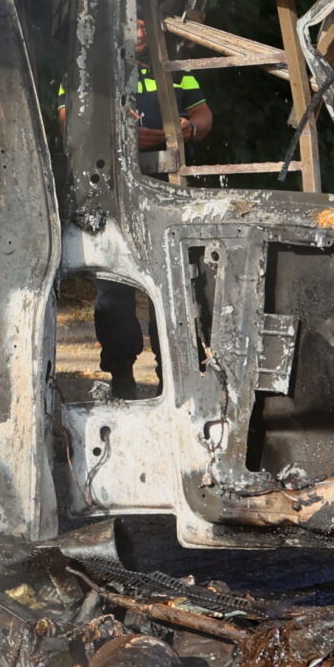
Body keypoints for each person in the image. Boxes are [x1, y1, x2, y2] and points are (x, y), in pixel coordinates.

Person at [92, 21, 210, 396]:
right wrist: (170, 133)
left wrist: (170, 135)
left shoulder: (175, 69)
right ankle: (122, 377)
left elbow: (203, 118)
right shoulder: (90, 67)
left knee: (173, 284)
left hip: (167, 191)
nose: (138, 30)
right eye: (130, 21)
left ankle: (172, 378)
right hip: (112, 194)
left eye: (144, 23)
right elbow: (72, 121)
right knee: (114, 287)